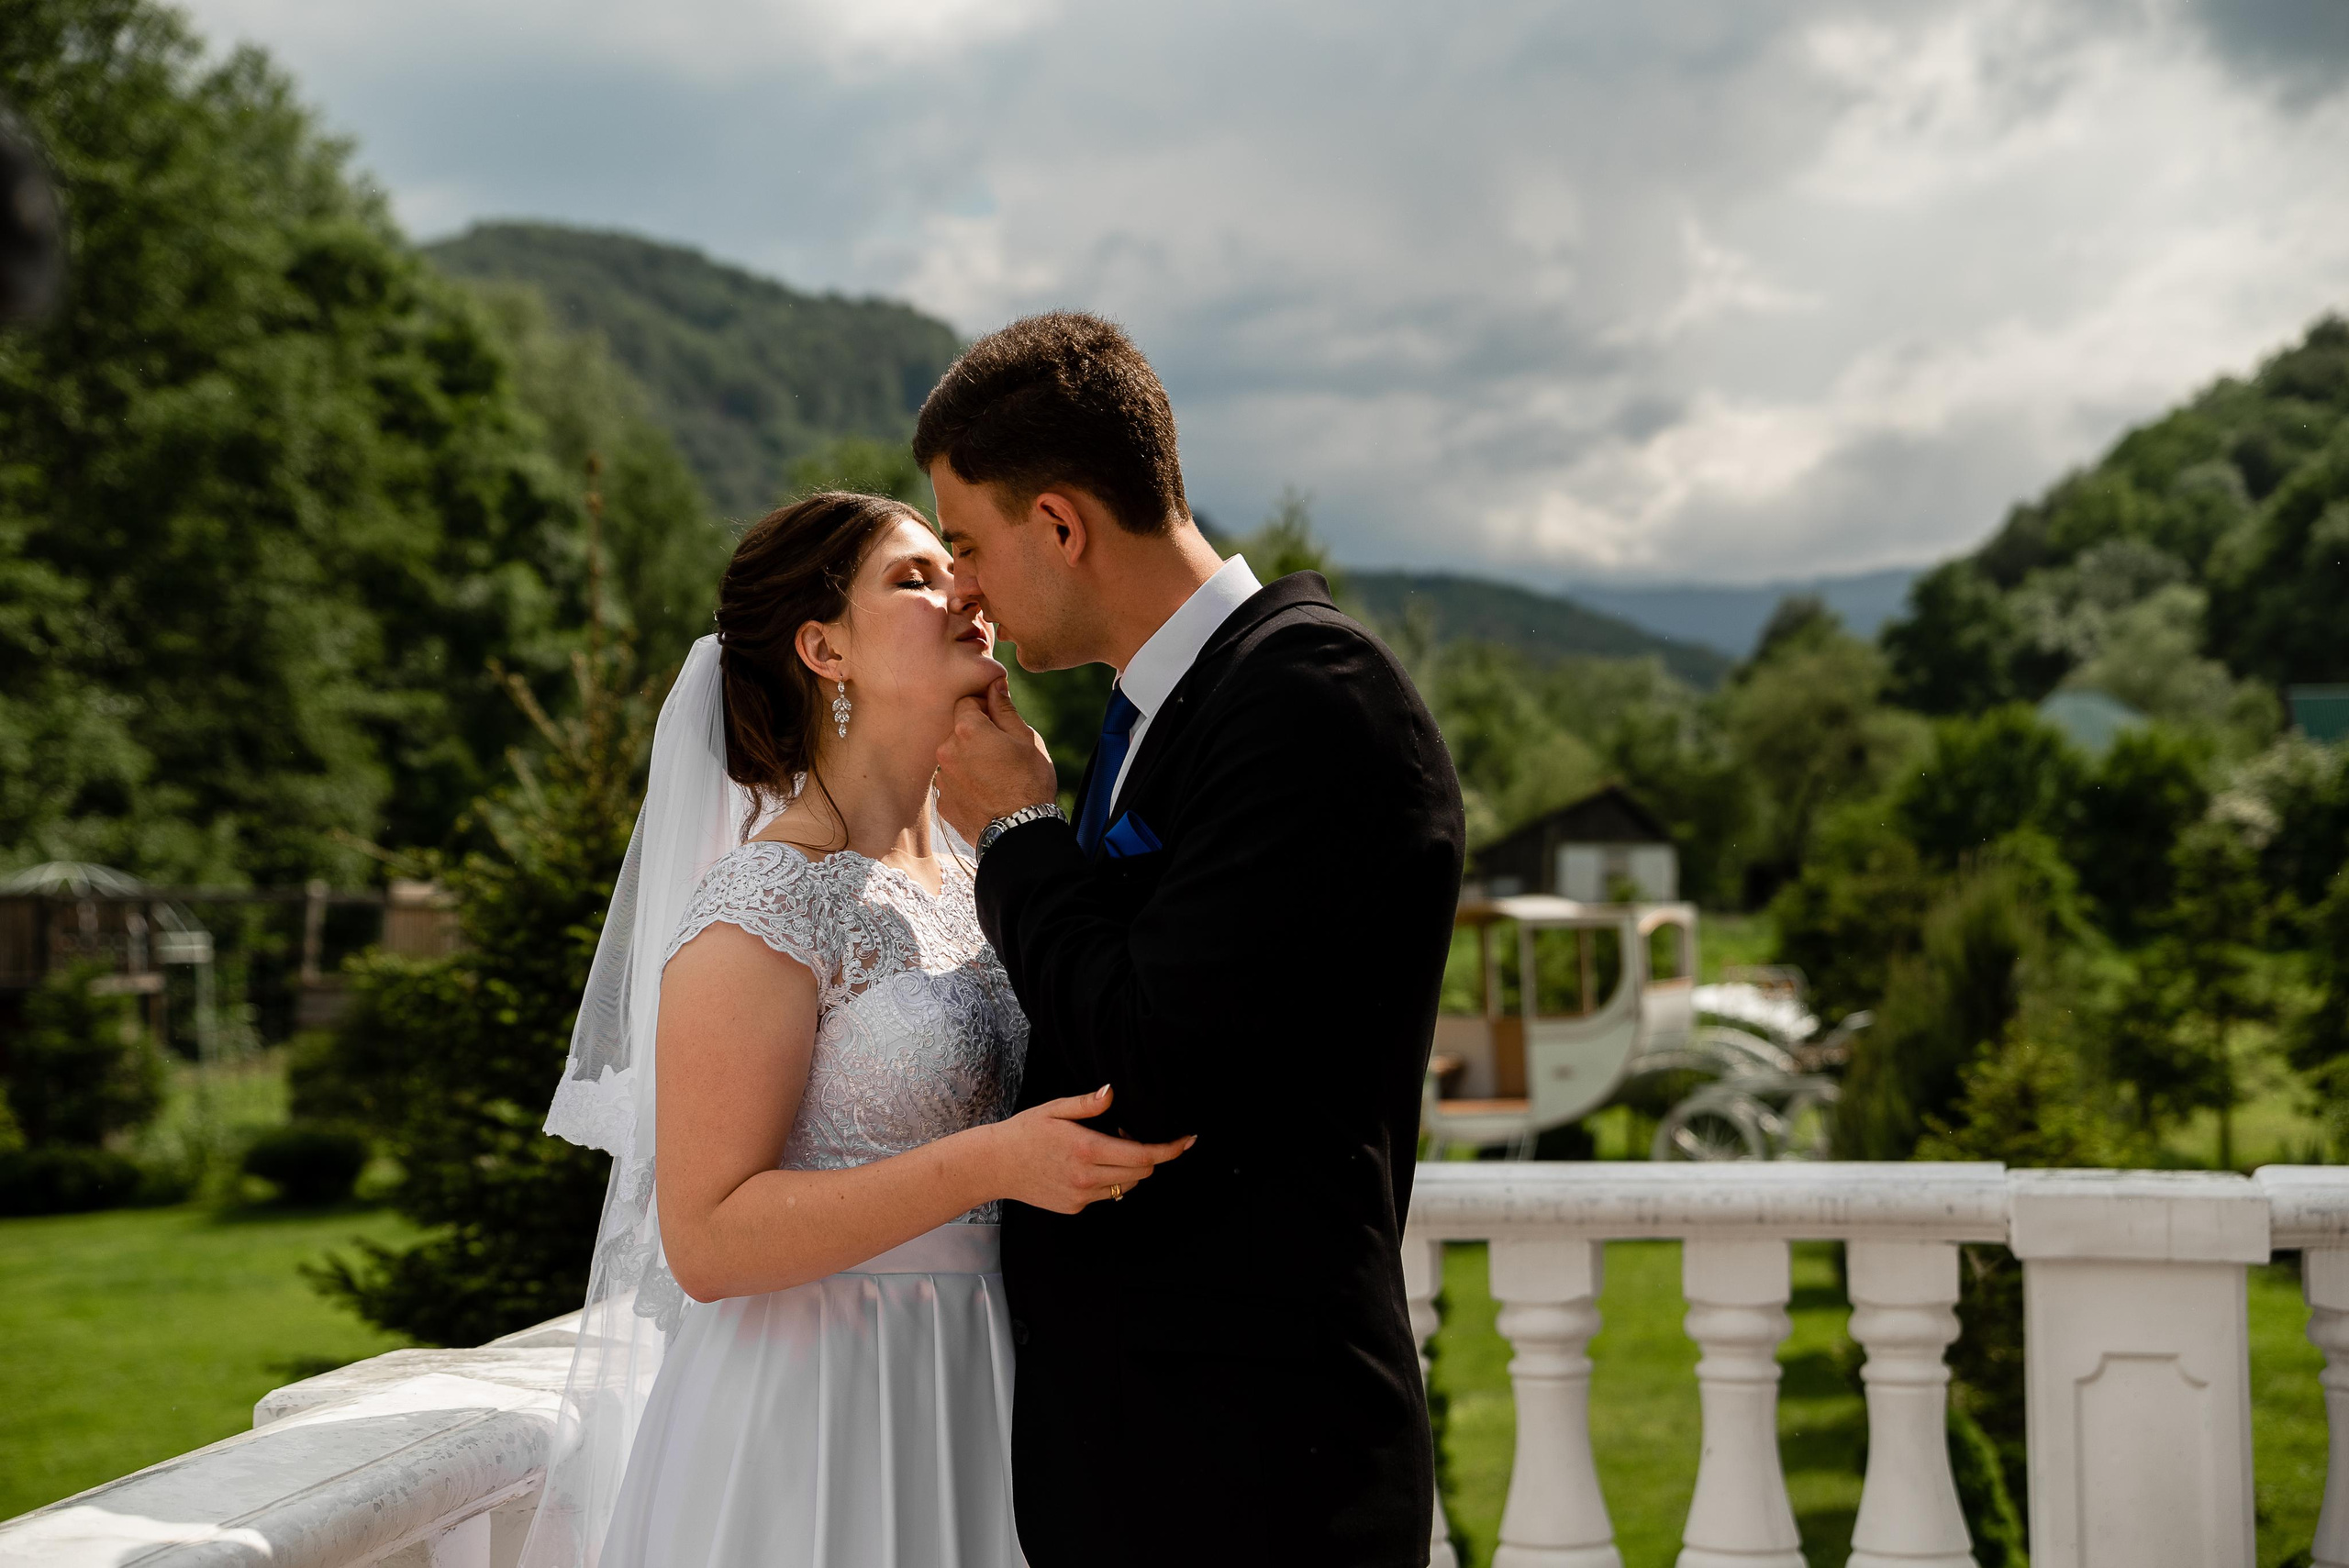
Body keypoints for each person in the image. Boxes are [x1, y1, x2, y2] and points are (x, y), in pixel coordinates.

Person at [522, 490, 1189, 1568]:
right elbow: (707, 1238)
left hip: (988, 1385)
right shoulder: (764, 901)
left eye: (957, 567)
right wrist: (996, 1161)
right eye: (916, 578)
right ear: (822, 646)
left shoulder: (990, 874)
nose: (964, 594)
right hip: (817, 1408)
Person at [928, 313, 1468, 1568]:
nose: (963, 588)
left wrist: (1016, 828)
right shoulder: (1160, 711)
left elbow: (1150, 1060)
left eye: (968, 543)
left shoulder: (1308, 700)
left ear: (1060, 524)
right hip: (1144, 1456)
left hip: (1258, 1469)